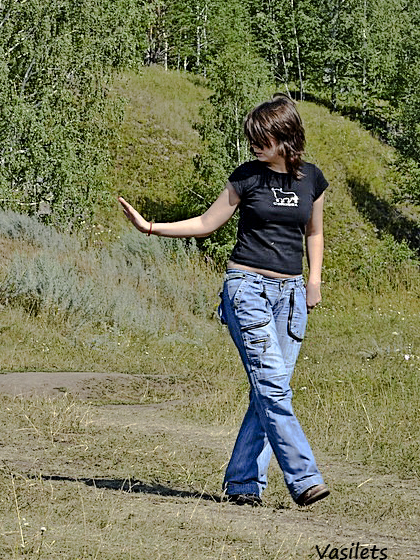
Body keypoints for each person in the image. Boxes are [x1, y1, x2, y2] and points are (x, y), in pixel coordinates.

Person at [118, 94, 329, 507]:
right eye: (251, 139)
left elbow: (314, 233)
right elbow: (206, 223)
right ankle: (304, 477)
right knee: (272, 386)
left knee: (270, 391)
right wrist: (150, 228)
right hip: (247, 287)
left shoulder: (312, 180)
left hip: (290, 296)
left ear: (285, 135)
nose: (253, 145)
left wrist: (314, 280)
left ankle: (243, 483)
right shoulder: (246, 177)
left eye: (261, 138)